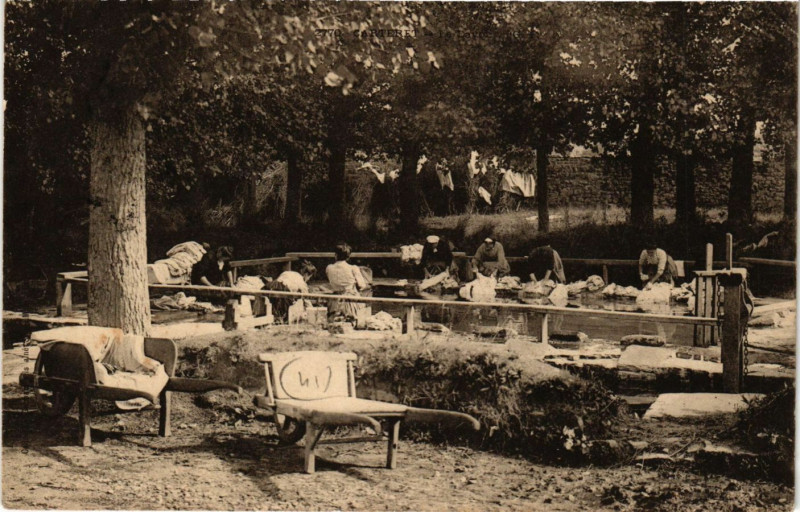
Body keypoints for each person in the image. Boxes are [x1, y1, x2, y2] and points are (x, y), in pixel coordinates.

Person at [326, 243, 371, 320]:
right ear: (348, 257)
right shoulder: (353, 268)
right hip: (350, 302)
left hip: (334, 301)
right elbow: (362, 285)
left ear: (335, 255)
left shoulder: (329, 268)